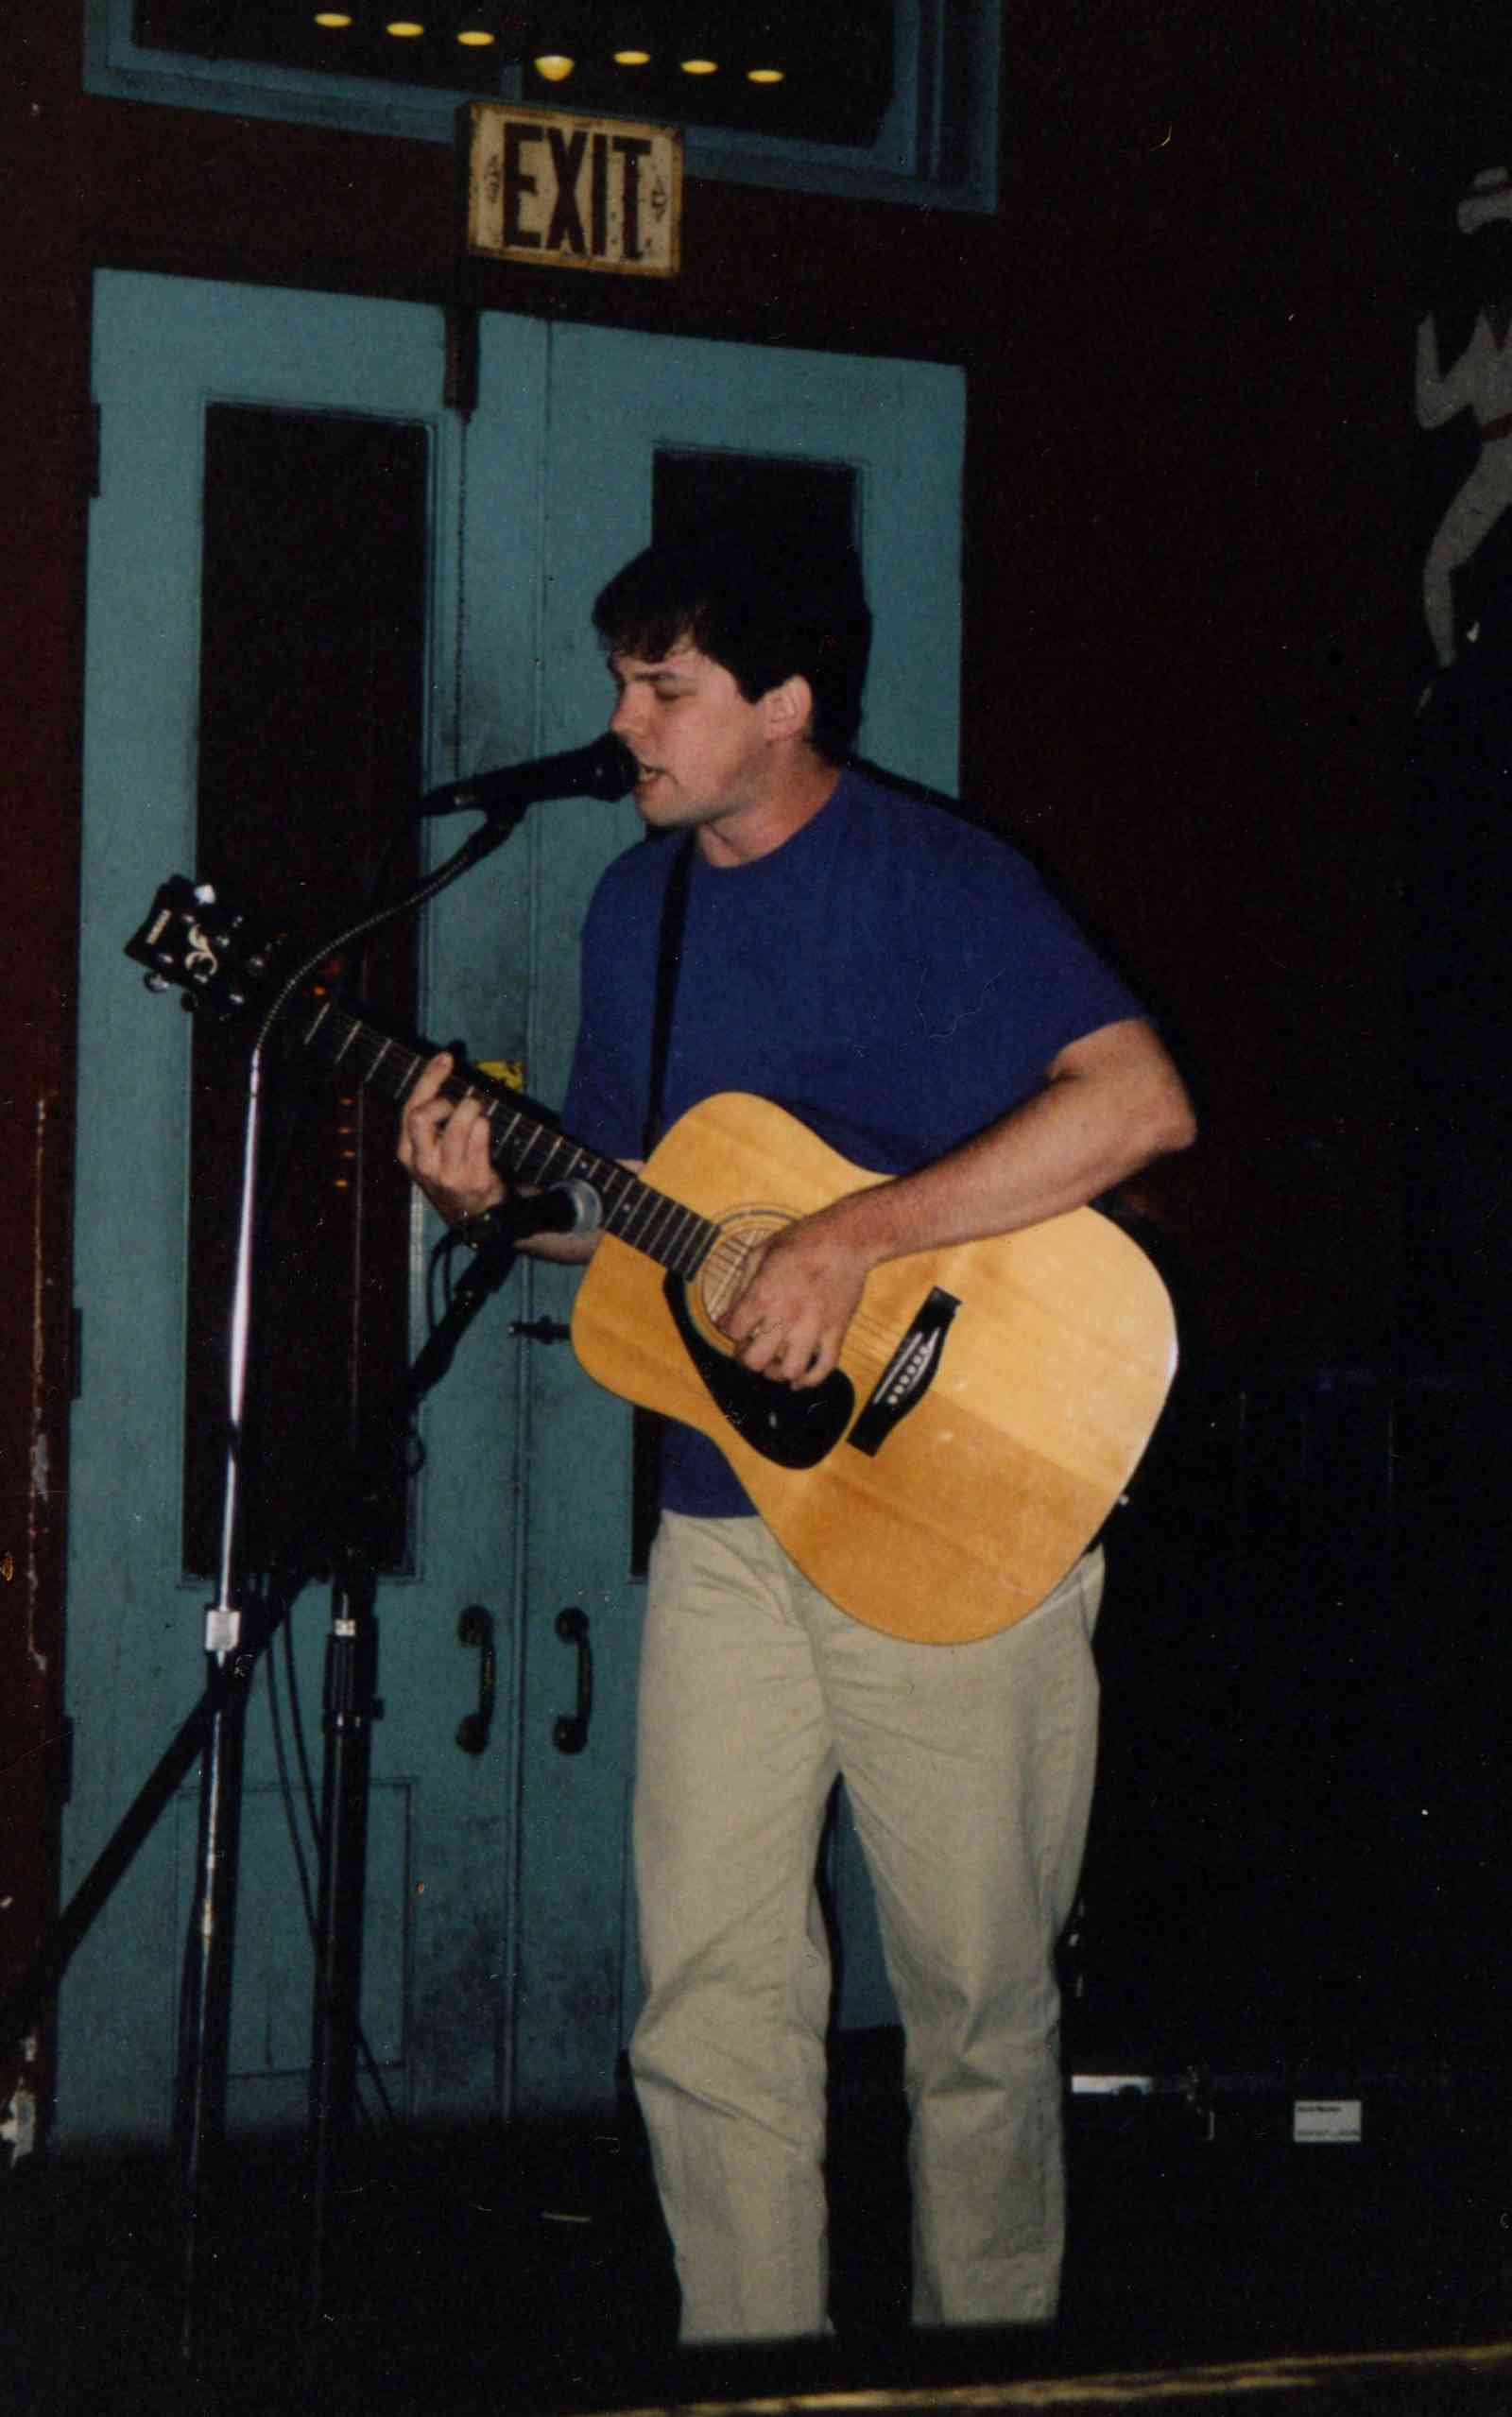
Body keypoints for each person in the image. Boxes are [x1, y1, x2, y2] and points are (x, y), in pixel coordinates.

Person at [398, 523, 1196, 2348]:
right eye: (620, 683)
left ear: (785, 704)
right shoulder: (638, 907)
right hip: (726, 1517)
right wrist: (480, 1196)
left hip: (963, 1498)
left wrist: (853, 1236)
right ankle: (752, 2373)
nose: (625, 724)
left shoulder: (941, 879)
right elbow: (626, 1201)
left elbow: (1140, 1103)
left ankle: (987, 2370)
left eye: (664, 688)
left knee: (976, 2008)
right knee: (708, 1992)